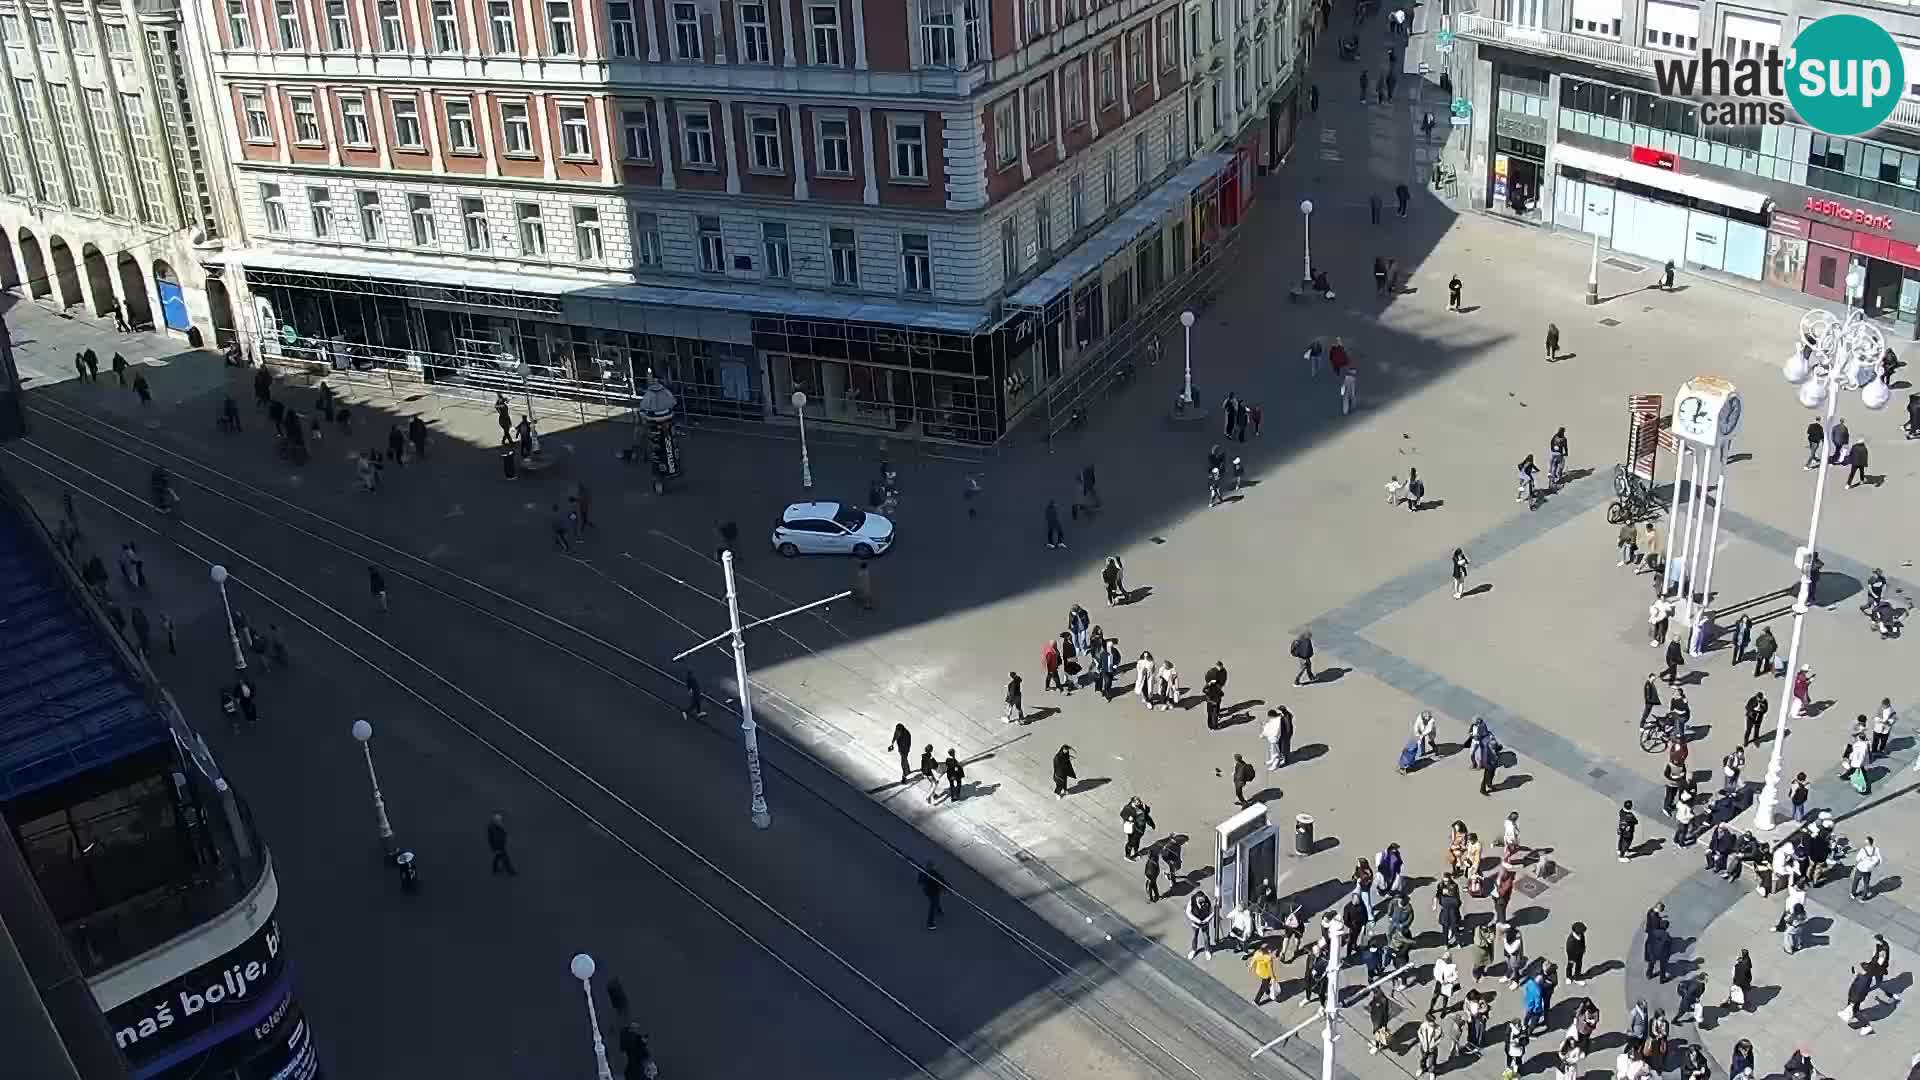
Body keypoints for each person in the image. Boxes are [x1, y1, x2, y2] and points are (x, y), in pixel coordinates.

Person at [1852, 836, 1884, 900]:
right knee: (1866, 883)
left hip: (1860, 869)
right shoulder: (1876, 850)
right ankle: (1864, 897)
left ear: (1867, 843)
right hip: (1868, 870)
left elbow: (1857, 859)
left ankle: (1853, 894)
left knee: (1856, 881)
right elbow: (1880, 860)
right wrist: (1873, 865)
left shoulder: (1863, 850)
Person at [1186, 888, 1214, 958]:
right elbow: (1188, 912)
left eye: (1203, 899)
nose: (1202, 902)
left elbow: (1212, 911)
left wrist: (1207, 919)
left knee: (1206, 937)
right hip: (1195, 923)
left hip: (1205, 923)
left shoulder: (1207, 901)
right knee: (1194, 936)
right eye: (1200, 900)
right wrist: (1197, 920)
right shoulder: (1192, 901)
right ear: (1197, 898)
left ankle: (1207, 950)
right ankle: (1193, 950)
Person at [487, 811, 517, 875]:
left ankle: (495, 870)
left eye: (500, 819)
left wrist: (505, 836)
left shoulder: (498, 826)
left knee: (498, 857)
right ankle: (510, 871)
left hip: (501, 845)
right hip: (498, 846)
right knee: (505, 858)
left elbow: (503, 834)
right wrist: (495, 848)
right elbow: (492, 839)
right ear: (494, 819)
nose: (499, 820)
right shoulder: (492, 828)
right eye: (498, 819)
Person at [920, 862, 947, 929]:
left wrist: (946, 888)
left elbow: (942, 881)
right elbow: (920, 881)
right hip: (931, 892)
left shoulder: (934, 874)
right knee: (933, 905)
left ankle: (938, 909)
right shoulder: (925, 874)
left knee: (936, 901)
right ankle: (930, 923)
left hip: (932, 891)